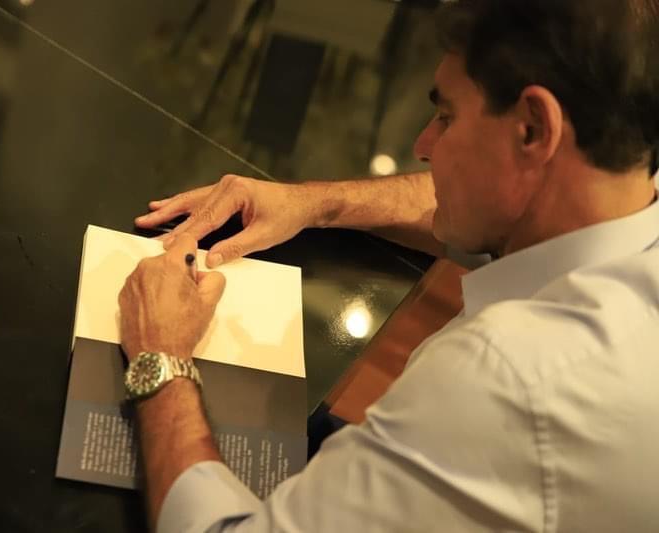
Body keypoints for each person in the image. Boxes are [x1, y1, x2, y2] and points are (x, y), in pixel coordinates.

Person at [119, 0, 659, 530]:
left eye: (447, 117)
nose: (423, 146)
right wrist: (313, 203)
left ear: (533, 130)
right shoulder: (625, 184)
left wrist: (161, 355)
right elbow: (485, 192)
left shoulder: (503, 383)